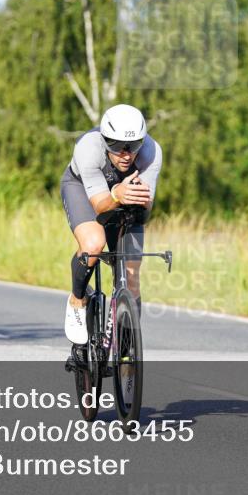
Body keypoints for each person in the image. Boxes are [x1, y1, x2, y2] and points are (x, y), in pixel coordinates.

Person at [59, 104, 162, 344]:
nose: (126, 154)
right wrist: (116, 194)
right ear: (105, 140)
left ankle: (125, 346)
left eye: (133, 146)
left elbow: (144, 215)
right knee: (94, 245)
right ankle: (77, 300)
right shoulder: (88, 147)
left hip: (123, 196)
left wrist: (139, 201)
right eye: (117, 146)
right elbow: (99, 206)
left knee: (131, 273)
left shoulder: (151, 152)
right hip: (83, 190)